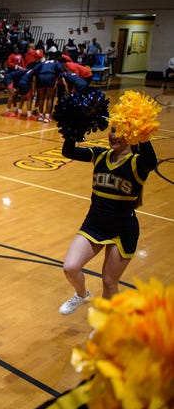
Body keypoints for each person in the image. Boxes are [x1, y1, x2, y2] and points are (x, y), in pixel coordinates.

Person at [58, 94, 159, 315]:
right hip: (94, 223)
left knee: (109, 282)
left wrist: (142, 131)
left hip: (123, 229)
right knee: (70, 267)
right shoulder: (100, 155)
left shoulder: (138, 163)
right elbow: (69, 152)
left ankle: (105, 323)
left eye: (121, 131)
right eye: (112, 129)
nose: (114, 135)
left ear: (132, 134)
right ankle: (82, 295)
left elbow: (151, 160)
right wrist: (73, 128)